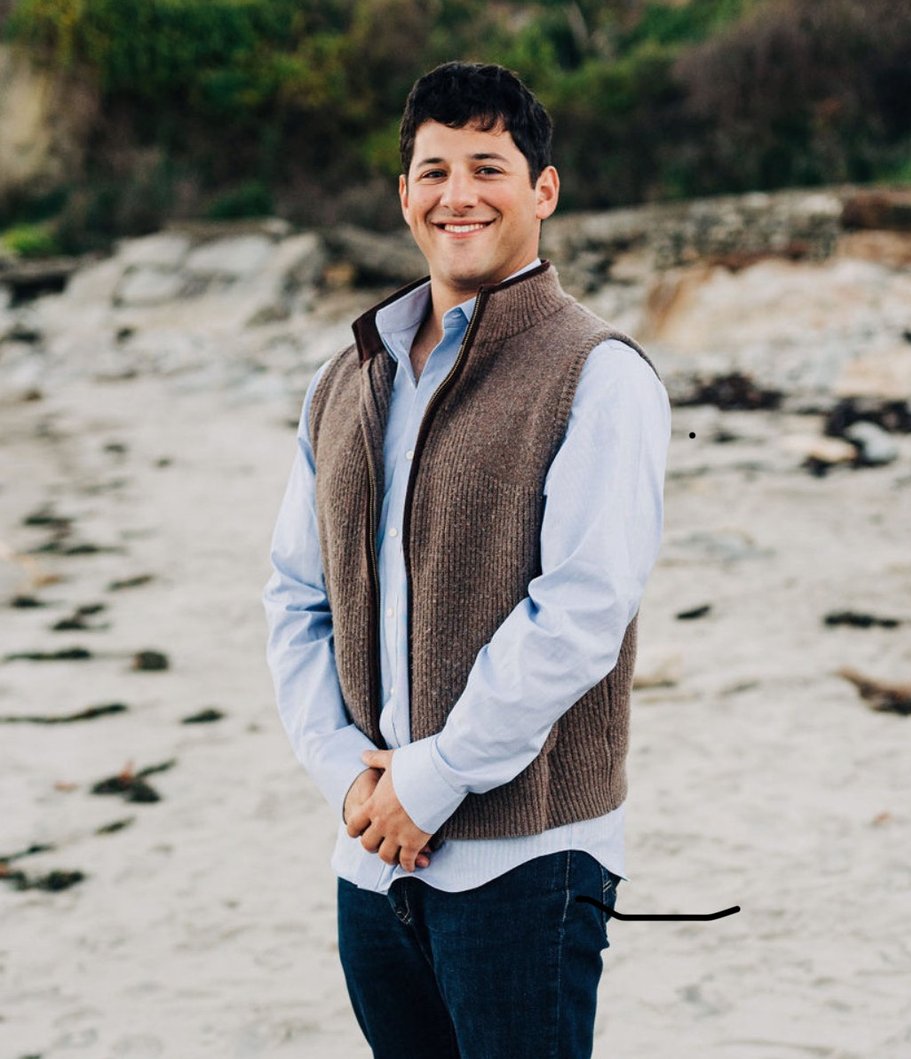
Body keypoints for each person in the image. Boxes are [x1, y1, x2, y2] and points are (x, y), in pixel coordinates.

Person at [263, 60, 671, 1059]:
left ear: (543, 189)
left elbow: (580, 611)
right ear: (403, 194)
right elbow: (297, 597)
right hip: (371, 862)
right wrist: (346, 778)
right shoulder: (344, 378)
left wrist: (432, 781)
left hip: (528, 863)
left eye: (488, 167)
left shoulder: (599, 374)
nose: (459, 195)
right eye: (434, 171)